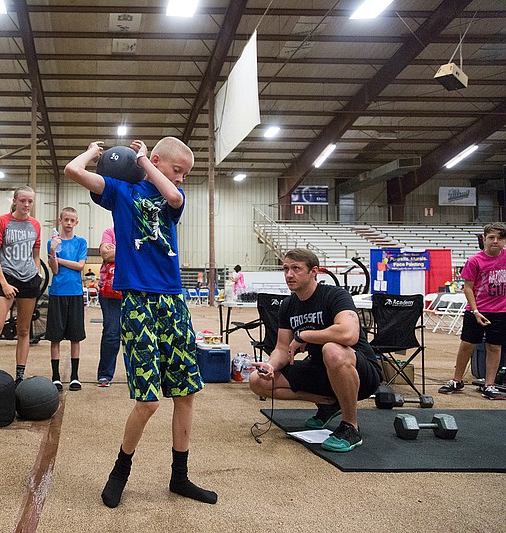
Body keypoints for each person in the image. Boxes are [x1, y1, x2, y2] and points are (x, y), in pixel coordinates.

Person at [65, 138, 217, 508]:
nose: (180, 178)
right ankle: (120, 469)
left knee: (185, 393)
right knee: (148, 402)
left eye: (185, 173)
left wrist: (146, 162)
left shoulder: (170, 195)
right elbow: (74, 171)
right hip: (136, 299)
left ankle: (179, 477)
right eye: (176, 169)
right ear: (160, 160)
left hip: (172, 298)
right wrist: (92, 151)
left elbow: (175, 197)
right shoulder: (121, 191)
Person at [249, 248, 382, 453]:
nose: (289, 274)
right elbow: (282, 348)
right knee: (257, 381)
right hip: (322, 371)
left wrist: (305, 336)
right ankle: (329, 403)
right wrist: (271, 365)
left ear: (314, 272)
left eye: (296, 269)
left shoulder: (335, 295)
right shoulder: (288, 305)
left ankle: (350, 427)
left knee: (332, 350)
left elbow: (349, 334)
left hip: (361, 372)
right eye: (285, 269)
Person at [0, 185, 43, 384]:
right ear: (15, 201)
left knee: (24, 330)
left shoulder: (35, 225)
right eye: (22, 200)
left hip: (29, 280)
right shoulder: (2, 221)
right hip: (7, 277)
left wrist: (38, 274)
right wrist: (4, 283)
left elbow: (36, 255)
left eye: (30, 201)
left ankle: (20, 375)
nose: (26, 205)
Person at [438, 222, 506, 400]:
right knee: (467, 344)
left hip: (500, 312)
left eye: (500, 238)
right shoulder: (475, 261)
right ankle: (457, 380)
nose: (495, 241)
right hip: (477, 310)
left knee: (494, 347)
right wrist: (475, 311)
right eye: (491, 237)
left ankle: (489, 385)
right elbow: (468, 288)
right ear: (484, 239)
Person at [47, 207, 88, 391]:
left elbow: (80, 266)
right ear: (60, 220)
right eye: (66, 220)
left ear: (76, 222)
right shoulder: (52, 243)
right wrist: (53, 252)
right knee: (55, 337)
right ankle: (55, 376)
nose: (69, 223)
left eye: (72, 220)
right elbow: (54, 270)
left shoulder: (81, 243)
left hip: (75, 293)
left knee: (75, 337)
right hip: (57, 293)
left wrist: (60, 259)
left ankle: (74, 376)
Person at [96, 227, 121, 388]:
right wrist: (130, 249)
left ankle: (136, 373)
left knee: (136, 333)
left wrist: (116, 250)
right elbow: (106, 254)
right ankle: (105, 374)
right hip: (109, 290)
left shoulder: (138, 230)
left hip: (133, 288)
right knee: (112, 332)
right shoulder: (109, 232)